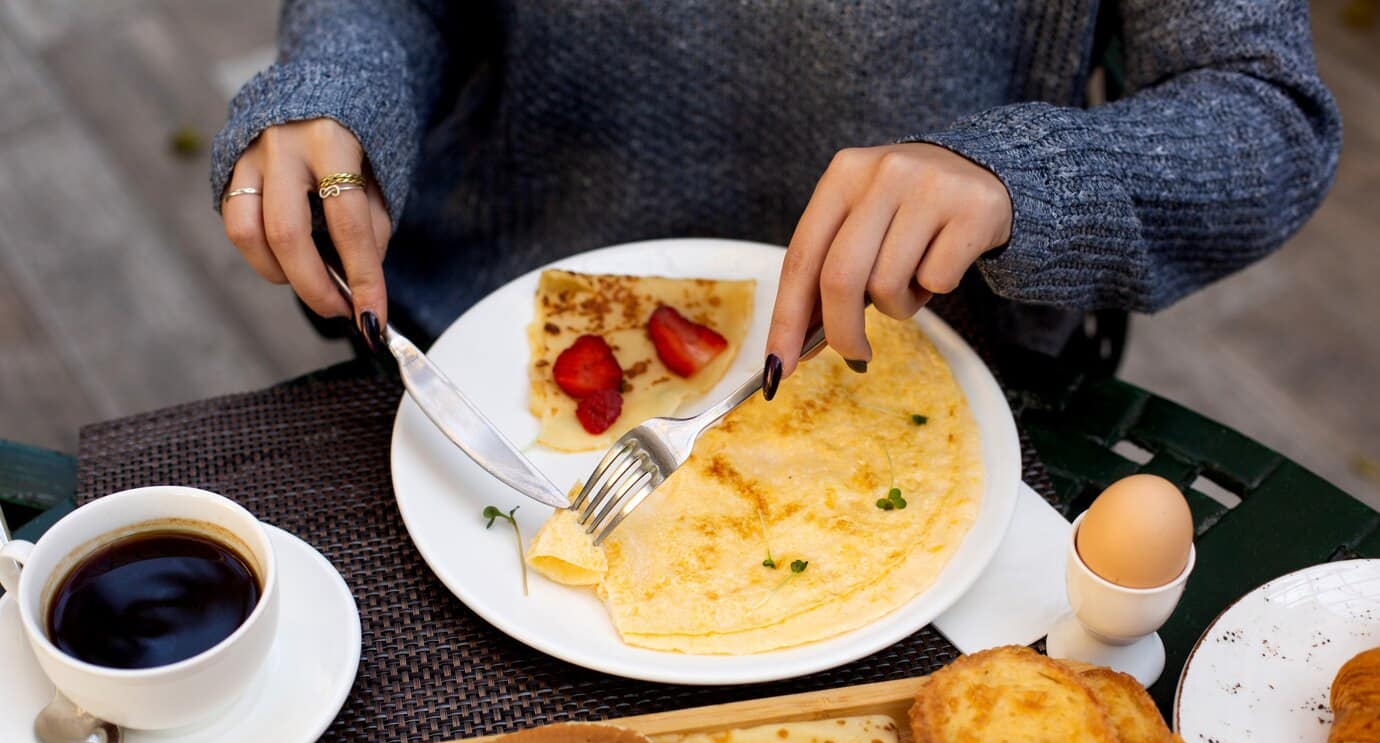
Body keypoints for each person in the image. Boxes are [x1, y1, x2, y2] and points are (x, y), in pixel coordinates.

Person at [213, 1, 1339, 399]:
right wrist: (338, 91)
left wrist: (1019, 176)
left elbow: (1264, 109)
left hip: (927, 379)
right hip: (505, 359)